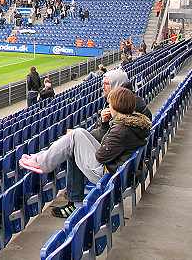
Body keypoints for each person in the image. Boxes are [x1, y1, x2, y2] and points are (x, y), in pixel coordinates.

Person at [19, 87, 150, 218]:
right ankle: (73, 200)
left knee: (75, 136)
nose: (109, 107)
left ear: (116, 106)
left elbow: (101, 156)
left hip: (106, 173)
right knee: (77, 137)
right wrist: (105, 124)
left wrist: (87, 144)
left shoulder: (121, 129)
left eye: (110, 104)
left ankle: (42, 163)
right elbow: (109, 146)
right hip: (116, 169)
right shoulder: (129, 124)